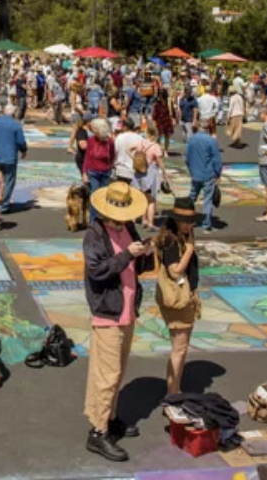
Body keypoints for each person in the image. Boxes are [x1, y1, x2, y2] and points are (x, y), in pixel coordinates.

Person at [82, 181, 154, 462]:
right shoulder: (95, 234)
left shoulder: (127, 228)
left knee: (118, 371)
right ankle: (97, 432)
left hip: (126, 308)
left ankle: (109, 418)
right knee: (107, 374)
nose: (126, 219)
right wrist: (127, 255)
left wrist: (145, 254)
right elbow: (98, 271)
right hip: (108, 311)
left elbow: (136, 267)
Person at [154, 196, 200, 395]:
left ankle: (175, 389)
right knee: (179, 349)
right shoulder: (171, 241)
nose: (189, 225)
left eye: (191, 221)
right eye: (185, 221)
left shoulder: (181, 236)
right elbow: (175, 271)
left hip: (184, 295)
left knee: (181, 348)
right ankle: (173, 393)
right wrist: (189, 250)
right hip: (176, 299)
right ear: (175, 220)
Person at [0, 103, 28, 212]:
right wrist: (23, 150)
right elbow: (20, 141)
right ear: (13, 113)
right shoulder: (16, 124)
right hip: (9, 156)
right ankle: (3, 205)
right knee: (9, 180)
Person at [185, 126, 222, 233]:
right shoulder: (211, 140)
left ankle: (187, 219)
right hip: (208, 174)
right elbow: (216, 159)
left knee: (192, 197)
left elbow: (187, 157)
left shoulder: (191, 139)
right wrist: (218, 173)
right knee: (207, 199)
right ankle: (206, 224)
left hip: (195, 173)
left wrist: (191, 169)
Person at [83, 118, 116, 203]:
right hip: (93, 172)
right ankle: (93, 216)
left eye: (94, 129)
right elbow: (87, 157)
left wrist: (110, 167)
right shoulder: (91, 140)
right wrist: (84, 173)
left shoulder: (110, 142)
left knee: (104, 196)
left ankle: (102, 215)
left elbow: (112, 156)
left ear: (99, 130)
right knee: (95, 195)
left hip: (105, 172)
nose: (92, 130)